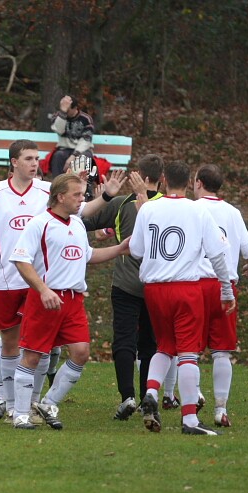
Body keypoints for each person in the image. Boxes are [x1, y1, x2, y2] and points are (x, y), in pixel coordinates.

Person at [0, 139, 126, 421]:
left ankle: (32, 403)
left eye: (37, 158)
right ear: (14, 162)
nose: (35, 163)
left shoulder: (47, 190)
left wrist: (106, 196)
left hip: (41, 282)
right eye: (29, 158)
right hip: (7, 278)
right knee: (10, 343)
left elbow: (81, 210)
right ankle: (6, 399)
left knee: (41, 346)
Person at [8, 173, 131, 429]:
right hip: (45, 299)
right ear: (60, 196)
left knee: (81, 353)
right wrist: (43, 290)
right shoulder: (39, 224)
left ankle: (48, 403)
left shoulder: (77, 223)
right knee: (32, 356)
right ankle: (20, 414)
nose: (81, 200)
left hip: (73, 301)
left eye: (82, 194)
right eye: (77, 195)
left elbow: (88, 255)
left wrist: (119, 249)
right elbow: (21, 259)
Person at [130, 161, 235, 436]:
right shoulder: (198, 210)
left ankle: (151, 391)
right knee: (188, 353)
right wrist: (226, 289)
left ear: (164, 180)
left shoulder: (148, 208)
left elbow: (136, 250)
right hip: (185, 288)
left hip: (154, 289)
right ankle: (189, 419)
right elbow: (217, 254)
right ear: (189, 182)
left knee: (164, 346)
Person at [82, 154, 163, 421]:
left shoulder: (121, 204)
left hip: (126, 285)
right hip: (157, 285)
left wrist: (99, 198)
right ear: (162, 179)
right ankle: (148, 397)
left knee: (124, 341)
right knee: (150, 344)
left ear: (137, 175)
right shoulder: (172, 207)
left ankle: (127, 397)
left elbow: (82, 220)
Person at [192, 164, 248, 428]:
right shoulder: (233, 212)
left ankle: (194, 394)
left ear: (198, 183)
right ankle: (221, 409)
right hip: (225, 286)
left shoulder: (191, 209)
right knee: (222, 351)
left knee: (189, 349)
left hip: (195, 284)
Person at [49, 95, 95, 178]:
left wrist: (74, 155)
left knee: (83, 158)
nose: (65, 111)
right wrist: (62, 113)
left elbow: (86, 140)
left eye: (68, 109)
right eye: (63, 108)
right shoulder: (58, 117)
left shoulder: (86, 119)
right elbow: (59, 130)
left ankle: (82, 184)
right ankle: (58, 183)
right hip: (64, 149)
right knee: (58, 156)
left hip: (82, 150)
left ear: (75, 108)